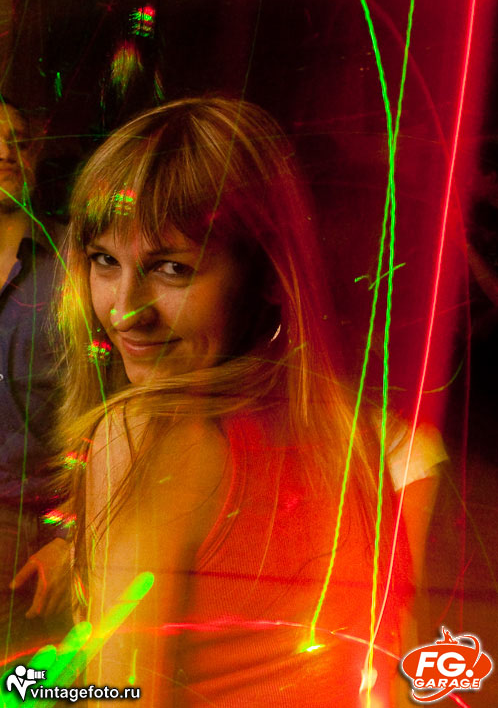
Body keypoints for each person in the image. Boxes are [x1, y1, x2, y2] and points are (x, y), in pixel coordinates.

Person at [56, 97, 444, 706]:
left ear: (268, 276)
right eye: (104, 260)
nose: (125, 310)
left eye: (172, 269)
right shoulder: (358, 436)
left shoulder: (149, 432)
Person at [0, 98, 69, 662]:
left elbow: (127, 407)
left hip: (25, 534)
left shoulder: (79, 263)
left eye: (17, 137)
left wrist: (72, 539)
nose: (5, 151)